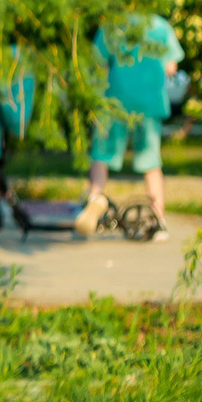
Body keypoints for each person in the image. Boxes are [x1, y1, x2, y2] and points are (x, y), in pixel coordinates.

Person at [76, 13, 181, 240]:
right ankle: (159, 218)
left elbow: (98, 62)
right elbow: (171, 67)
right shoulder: (160, 26)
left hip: (115, 99)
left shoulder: (113, 24)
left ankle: (94, 200)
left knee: (101, 154)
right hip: (150, 101)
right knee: (151, 161)